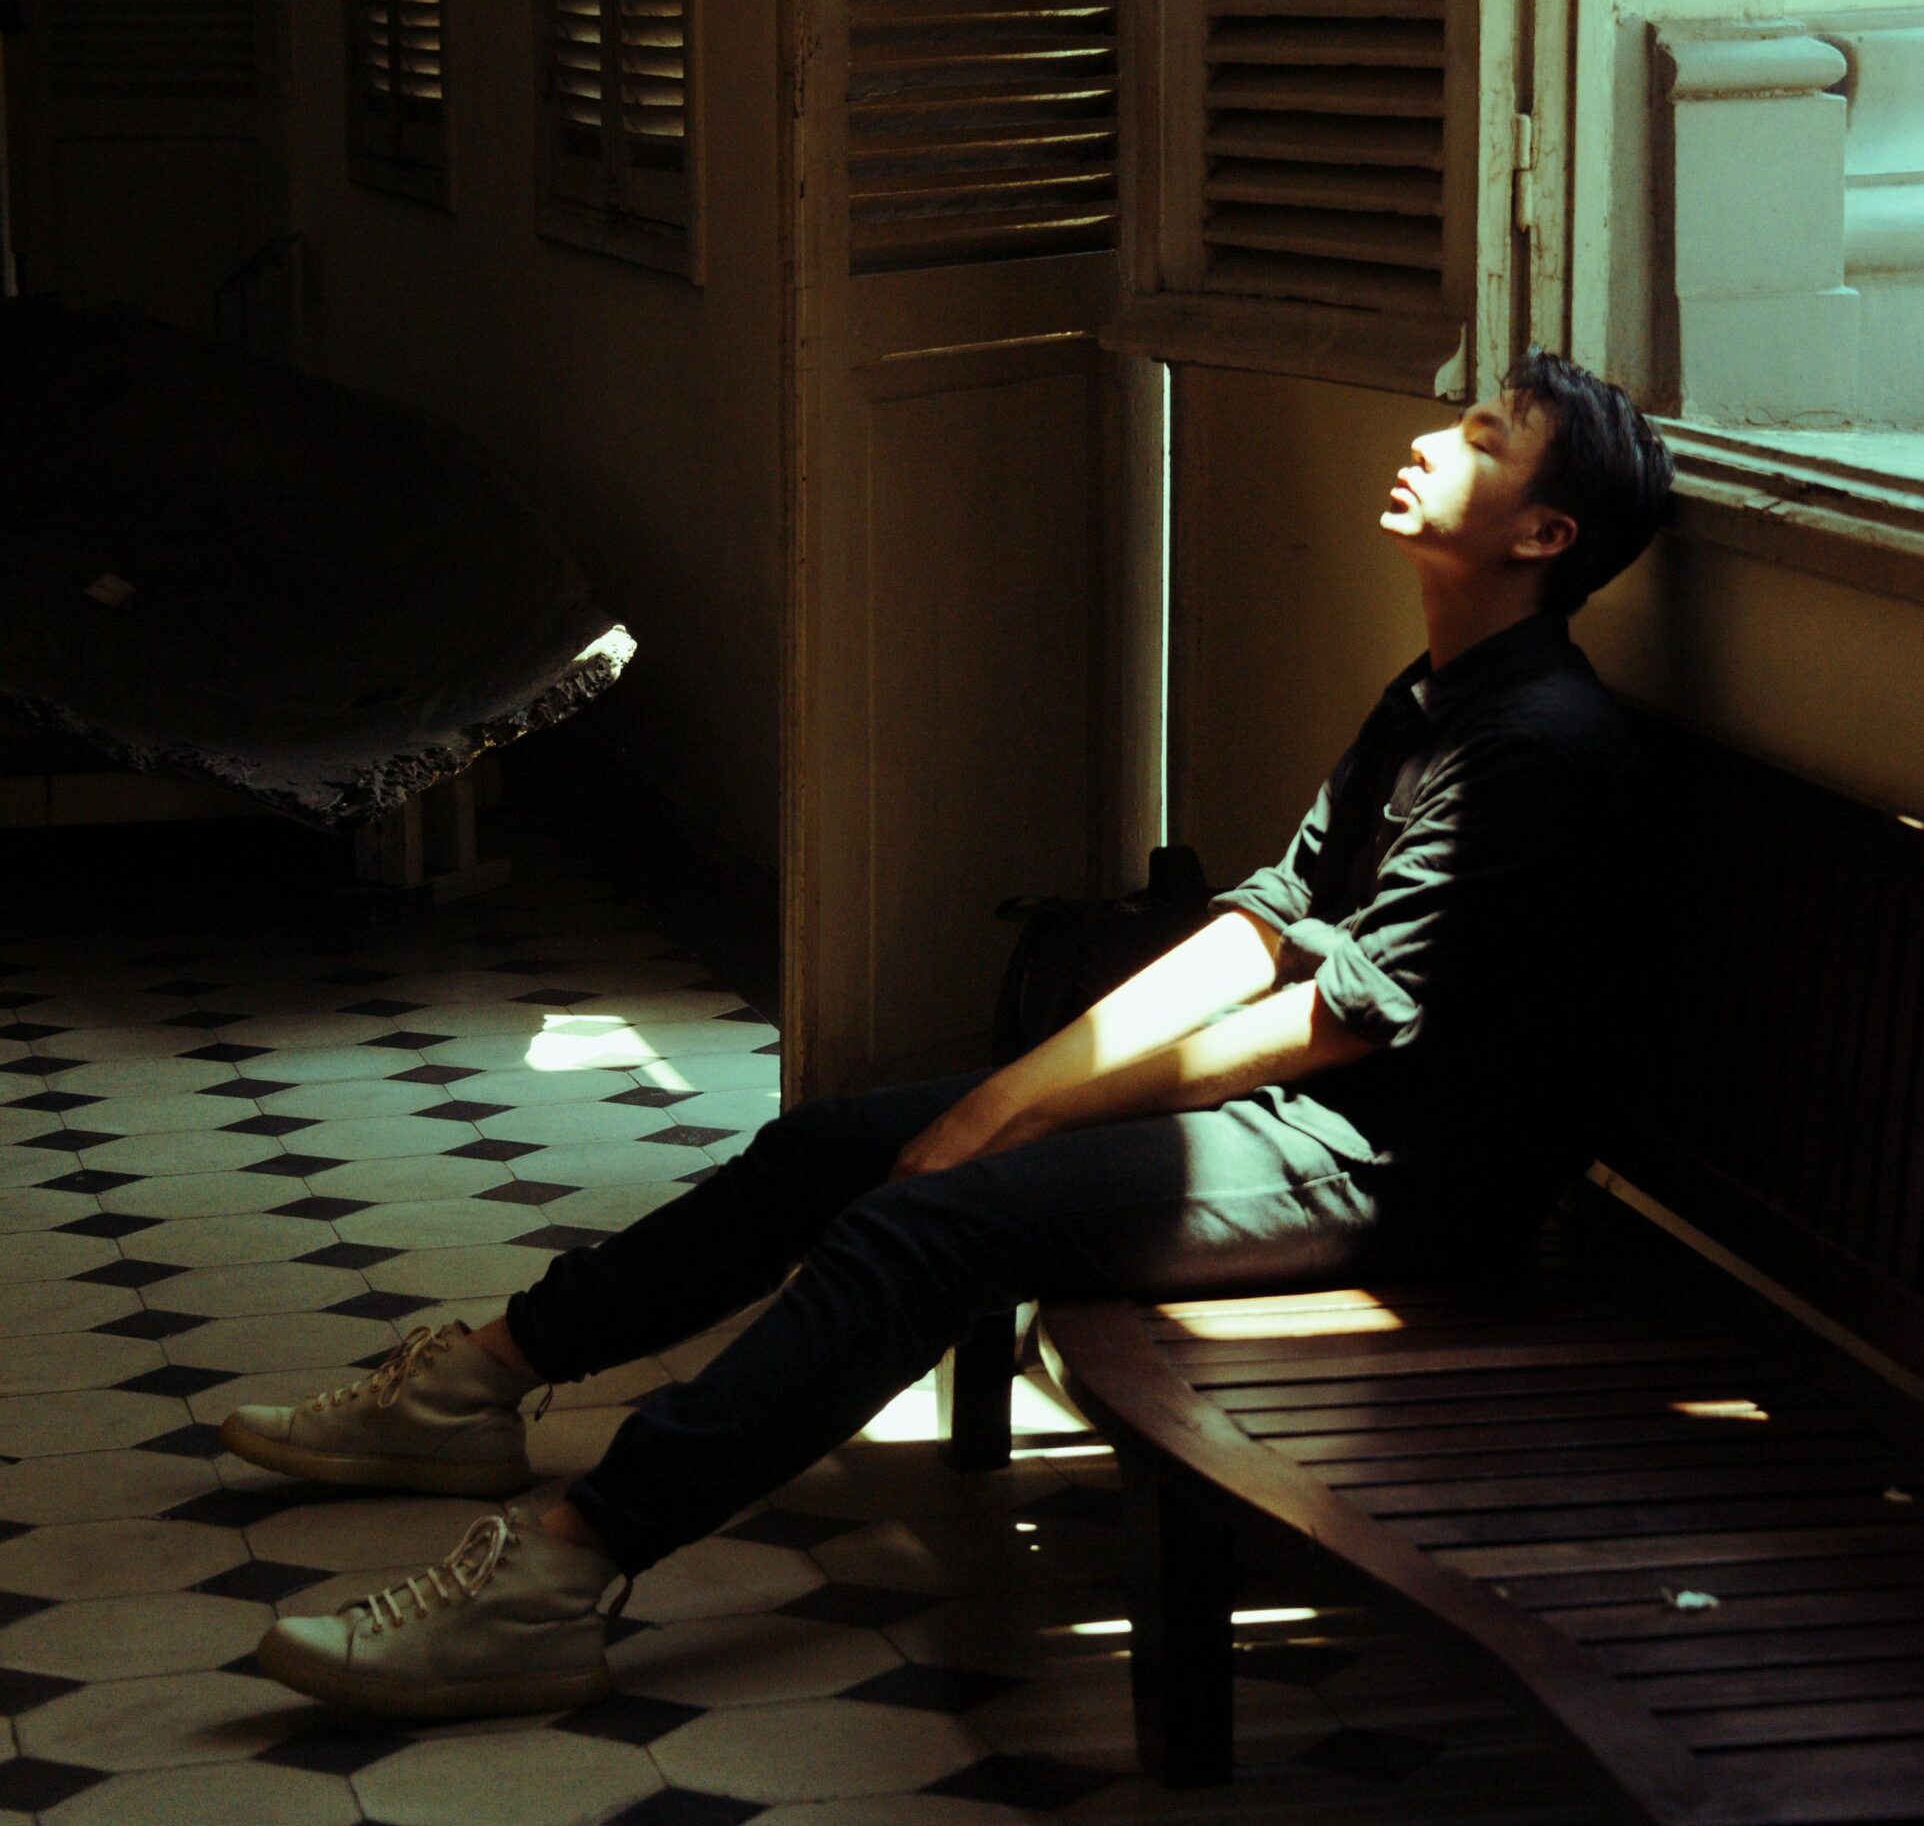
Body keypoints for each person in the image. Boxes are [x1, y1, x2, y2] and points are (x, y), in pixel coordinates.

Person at [240, 349, 1673, 1722]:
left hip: (1401, 1173)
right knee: (828, 1147)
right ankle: (479, 1381)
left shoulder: (1540, 742)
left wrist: (1022, 1114)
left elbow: (1339, 1021)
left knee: (921, 1232)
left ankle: (557, 1574)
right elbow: (1265, 925)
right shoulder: (1436, 696)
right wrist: (1022, 1093)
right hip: (1308, 1120)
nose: (1428, 439)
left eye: (1481, 437)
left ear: (1544, 535)